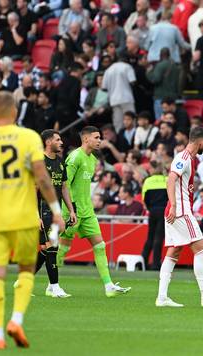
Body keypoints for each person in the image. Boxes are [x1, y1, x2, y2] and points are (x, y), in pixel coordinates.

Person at [0, 91, 65, 349]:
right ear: (15, 112)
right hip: (24, 216)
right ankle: (16, 319)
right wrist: (56, 211)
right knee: (26, 269)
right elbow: (42, 179)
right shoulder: (27, 137)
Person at [156, 126, 203, 308]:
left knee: (173, 252)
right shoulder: (184, 157)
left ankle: (162, 297)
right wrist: (174, 205)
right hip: (180, 210)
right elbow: (170, 179)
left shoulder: (188, 158)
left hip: (176, 210)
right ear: (202, 141)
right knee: (201, 251)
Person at [56, 126, 131, 298]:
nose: (99, 140)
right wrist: (69, 209)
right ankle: (50, 284)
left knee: (100, 246)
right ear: (86, 139)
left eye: (100, 138)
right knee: (60, 249)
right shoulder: (74, 158)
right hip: (71, 211)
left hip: (87, 210)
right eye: (96, 137)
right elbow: (63, 184)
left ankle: (109, 285)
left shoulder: (93, 159)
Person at [31, 130, 75, 298]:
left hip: (55, 211)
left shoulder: (60, 162)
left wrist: (70, 209)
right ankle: (54, 287)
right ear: (48, 142)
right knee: (52, 247)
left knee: (45, 249)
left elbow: (63, 187)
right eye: (58, 139)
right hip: (42, 209)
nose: (61, 142)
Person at [142, 161, 168, 270]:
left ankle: (143, 261)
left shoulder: (147, 181)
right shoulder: (166, 180)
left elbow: (144, 198)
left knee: (150, 237)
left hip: (152, 210)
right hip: (163, 211)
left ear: (153, 169)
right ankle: (155, 264)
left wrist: (150, 208)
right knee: (159, 237)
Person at [102, 57, 136, 132]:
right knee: (131, 121)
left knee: (118, 124)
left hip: (114, 100)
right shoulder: (127, 66)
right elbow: (133, 81)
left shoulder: (108, 70)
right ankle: (132, 140)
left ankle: (119, 141)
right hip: (126, 98)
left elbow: (104, 88)